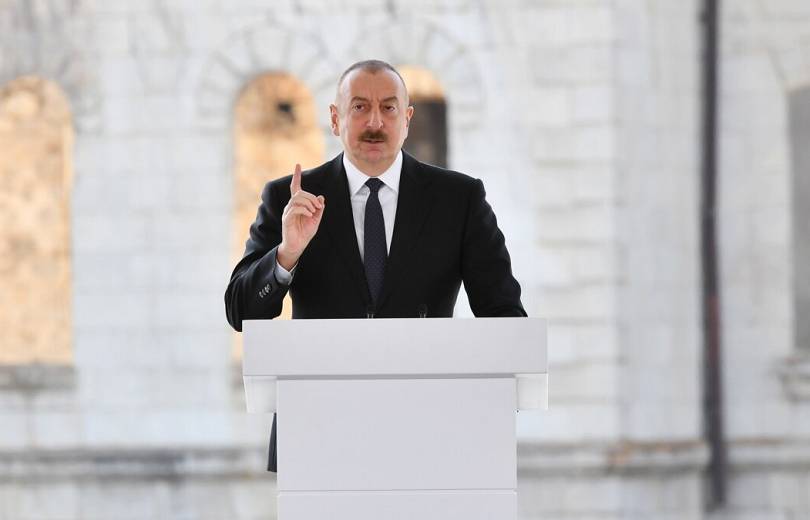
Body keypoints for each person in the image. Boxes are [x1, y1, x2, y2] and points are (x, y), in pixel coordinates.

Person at [224, 59, 526, 471]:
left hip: (429, 435)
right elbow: (240, 312)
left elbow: (505, 317)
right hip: (316, 438)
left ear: (407, 119)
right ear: (335, 119)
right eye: (360, 107)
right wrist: (287, 253)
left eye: (388, 108)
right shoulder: (288, 199)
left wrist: (483, 402)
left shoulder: (459, 199)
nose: (375, 123)